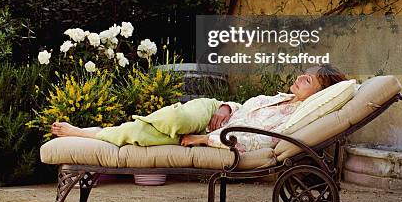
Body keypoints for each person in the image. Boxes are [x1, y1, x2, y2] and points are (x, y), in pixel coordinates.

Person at [51, 63, 347, 153]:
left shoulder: (290, 120)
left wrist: (205, 139)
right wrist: (226, 108)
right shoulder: (280, 98)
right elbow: (242, 106)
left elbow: (253, 140)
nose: (298, 78)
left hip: (214, 131)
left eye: (306, 79)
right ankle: (135, 124)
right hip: (212, 110)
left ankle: (89, 133)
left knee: (141, 135)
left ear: (320, 93)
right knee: (178, 115)